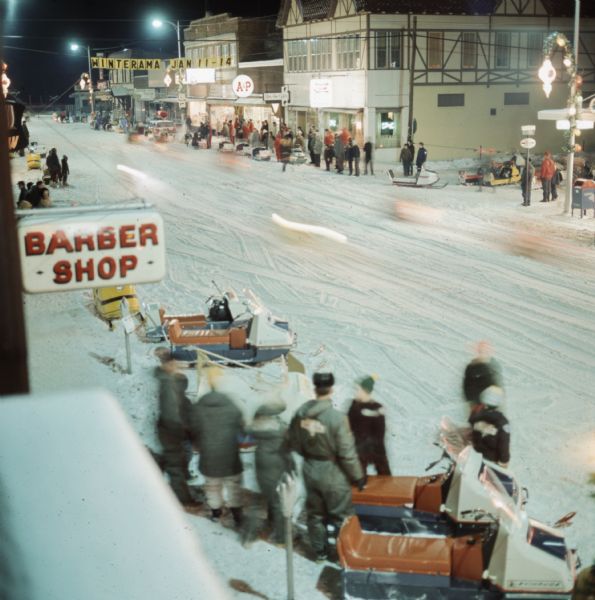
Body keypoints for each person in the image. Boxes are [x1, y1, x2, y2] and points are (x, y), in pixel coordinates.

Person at [289, 372, 364, 562]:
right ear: (331, 389)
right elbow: (347, 452)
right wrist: (357, 476)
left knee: (315, 514)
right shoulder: (337, 418)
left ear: (315, 389)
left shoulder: (301, 414)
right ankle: (341, 555)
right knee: (341, 515)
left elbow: (293, 441)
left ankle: (320, 552)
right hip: (333, 471)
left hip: (310, 468)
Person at [188, 366, 244, 526]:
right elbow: (241, 428)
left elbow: (192, 430)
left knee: (212, 487)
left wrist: (199, 444)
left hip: (208, 456)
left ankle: (215, 513)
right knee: (233, 486)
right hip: (230, 456)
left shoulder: (199, 406)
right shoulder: (231, 405)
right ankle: (238, 517)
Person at [241, 401, 295, 547]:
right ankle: (281, 538)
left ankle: (250, 535)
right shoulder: (281, 431)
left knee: (262, 501)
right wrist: (291, 469)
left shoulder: (257, 431)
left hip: (263, 471)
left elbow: (246, 431)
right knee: (276, 504)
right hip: (276, 470)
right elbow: (287, 454)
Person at [154, 355, 196, 506]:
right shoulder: (167, 384)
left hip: (171, 429)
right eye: (172, 364)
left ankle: (152, 474)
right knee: (176, 466)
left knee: (172, 460)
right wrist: (180, 430)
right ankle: (184, 501)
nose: (175, 367)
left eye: (175, 364)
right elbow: (170, 412)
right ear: (165, 365)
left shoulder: (170, 380)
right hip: (171, 430)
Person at [347, 375, 391, 476]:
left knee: (386, 479)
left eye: (358, 389)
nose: (356, 392)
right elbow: (348, 426)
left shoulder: (377, 407)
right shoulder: (354, 406)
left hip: (376, 449)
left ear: (365, 390)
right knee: (358, 480)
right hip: (358, 450)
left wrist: (375, 450)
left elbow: (380, 432)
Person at [468, 385, 510, 466]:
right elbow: (504, 442)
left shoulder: (477, 415)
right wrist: (504, 461)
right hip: (491, 461)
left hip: (474, 456)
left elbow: (471, 423)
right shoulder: (502, 422)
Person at [462, 340, 504, 411]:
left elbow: (497, 383)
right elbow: (467, 386)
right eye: (481, 351)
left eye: (486, 351)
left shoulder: (493, 365)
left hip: (490, 404)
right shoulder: (472, 367)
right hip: (478, 404)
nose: (483, 353)